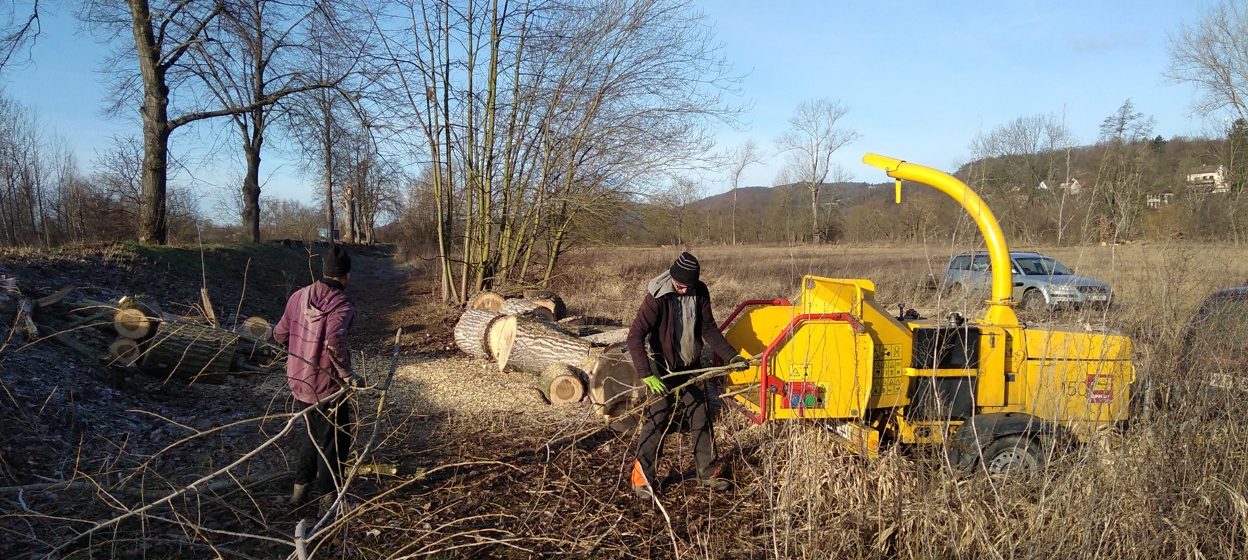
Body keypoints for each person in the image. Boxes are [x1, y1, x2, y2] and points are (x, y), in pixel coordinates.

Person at [627, 251, 747, 500]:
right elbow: (635, 336)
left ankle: (708, 474)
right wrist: (646, 374)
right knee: (657, 418)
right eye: (679, 286)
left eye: (687, 287)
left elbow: (708, 328)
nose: (683, 290)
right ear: (673, 278)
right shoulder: (657, 297)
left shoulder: (699, 291)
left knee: (701, 414)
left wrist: (731, 356)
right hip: (662, 367)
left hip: (690, 365)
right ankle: (642, 480)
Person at [273, 244, 357, 513]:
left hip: (299, 382)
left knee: (312, 434)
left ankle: (300, 489)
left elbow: (279, 334)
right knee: (336, 441)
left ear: (325, 271)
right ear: (346, 275)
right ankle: (329, 500)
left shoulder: (298, 296)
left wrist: (297, 350)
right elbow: (334, 340)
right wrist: (347, 375)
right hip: (326, 386)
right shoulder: (342, 304)